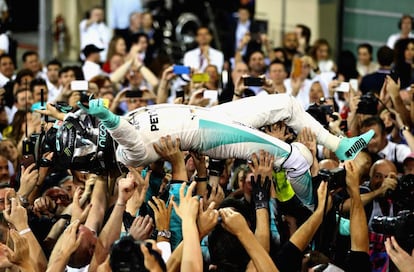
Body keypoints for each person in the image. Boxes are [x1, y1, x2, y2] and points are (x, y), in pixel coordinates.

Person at [66, 93, 374, 180]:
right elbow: (127, 134)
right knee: (291, 155)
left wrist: (70, 112)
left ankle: (339, 145)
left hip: (208, 113)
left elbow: (106, 129)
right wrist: (108, 117)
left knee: (287, 103)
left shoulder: (111, 137)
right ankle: (311, 200)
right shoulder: (126, 154)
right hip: (209, 135)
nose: (92, 134)